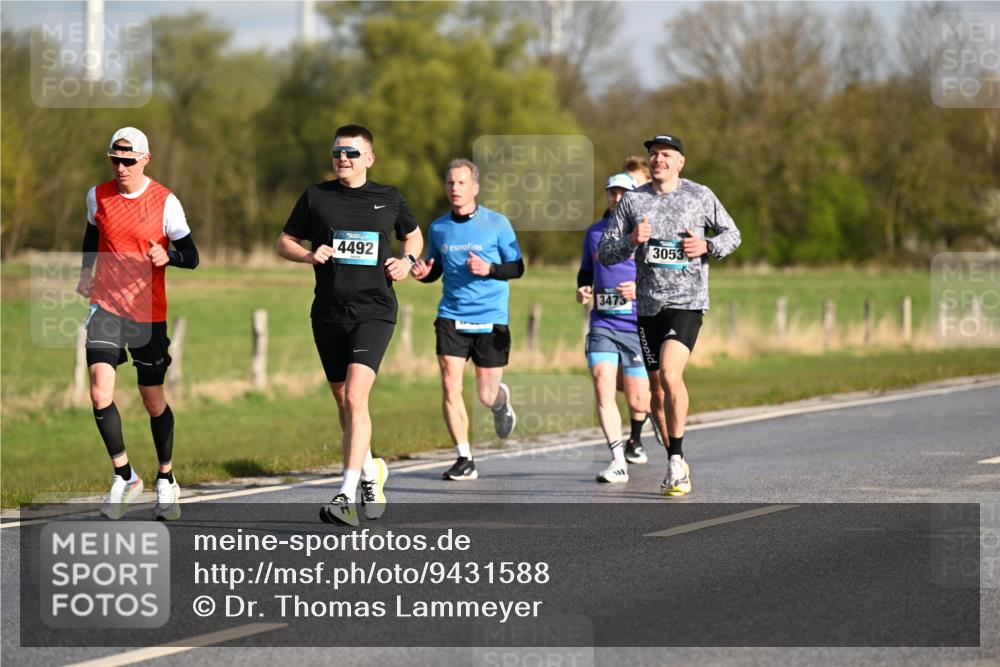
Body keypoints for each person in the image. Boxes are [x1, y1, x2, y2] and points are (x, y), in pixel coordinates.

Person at [277, 124, 423, 526]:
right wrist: (309, 255)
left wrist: (407, 263)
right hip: (327, 312)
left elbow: (413, 236)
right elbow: (284, 241)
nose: (343, 158)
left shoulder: (388, 197)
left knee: (357, 398)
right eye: (338, 152)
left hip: (374, 310)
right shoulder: (316, 197)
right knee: (344, 401)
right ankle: (372, 469)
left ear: (369, 159)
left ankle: (346, 493)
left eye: (352, 153)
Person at [599, 134, 741, 496]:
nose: (658, 159)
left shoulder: (700, 195)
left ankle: (677, 461)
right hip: (648, 305)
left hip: (687, 301)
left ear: (680, 162)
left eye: (665, 155)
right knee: (656, 391)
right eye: (653, 154)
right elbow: (605, 252)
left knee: (671, 374)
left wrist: (707, 245)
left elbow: (733, 234)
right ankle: (672, 459)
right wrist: (631, 240)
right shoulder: (633, 201)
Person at [76, 127, 199, 521]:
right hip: (106, 305)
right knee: (99, 393)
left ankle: (166, 478)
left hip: (147, 312)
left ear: (146, 159)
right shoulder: (98, 195)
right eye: (116, 159)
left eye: (129, 160)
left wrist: (169, 258)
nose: (122, 167)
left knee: (152, 399)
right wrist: (85, 271)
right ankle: (124, 475)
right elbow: (92, 232)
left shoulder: (166, 202)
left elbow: (192, 255)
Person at [411, 159, 523, 481]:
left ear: (474, 187)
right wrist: (423, 274)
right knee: (450, 384)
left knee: (486, 396)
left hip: (490, 318)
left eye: (461, 183)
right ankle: (464, 458)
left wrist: (490, 269)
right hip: (452, 315)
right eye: (450, 183)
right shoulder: (439, 228)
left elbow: (517, 268)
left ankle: (501, 402)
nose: (455, 189)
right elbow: (435, 271)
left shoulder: (497, 223)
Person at [577, 173, 651, 484]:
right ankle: (617, 460)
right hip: (602, 322)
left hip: (636, 324)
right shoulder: (594, 233)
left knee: (637, 401)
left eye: (623, 194)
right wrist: (583, 289)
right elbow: (585, 272)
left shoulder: (645, 233)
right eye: (613, 193)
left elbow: (661, 277)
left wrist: (639, 287)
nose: (617, 199)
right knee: (602, 382)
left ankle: (655, 434)